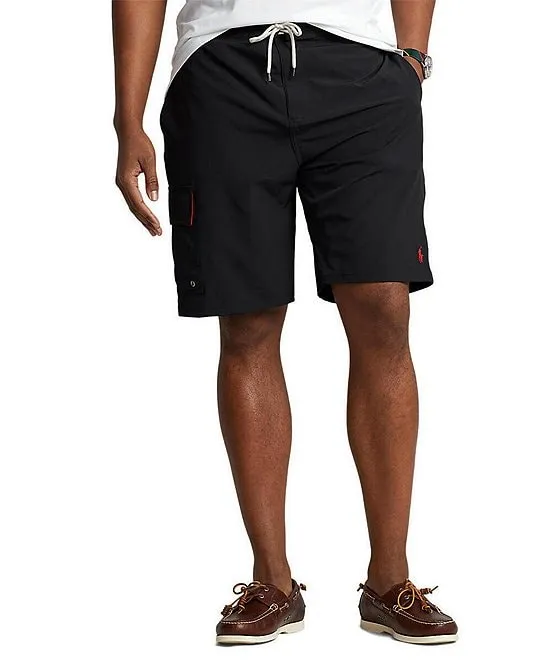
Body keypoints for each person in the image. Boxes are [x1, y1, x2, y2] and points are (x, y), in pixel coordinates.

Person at [112, 0, 457, 646]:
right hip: (223, 68)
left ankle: (391, 580)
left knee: (384, 307)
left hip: (362, 70)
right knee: (247, 322)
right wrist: (127, 117)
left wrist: (412, 56)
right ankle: (272, 579)